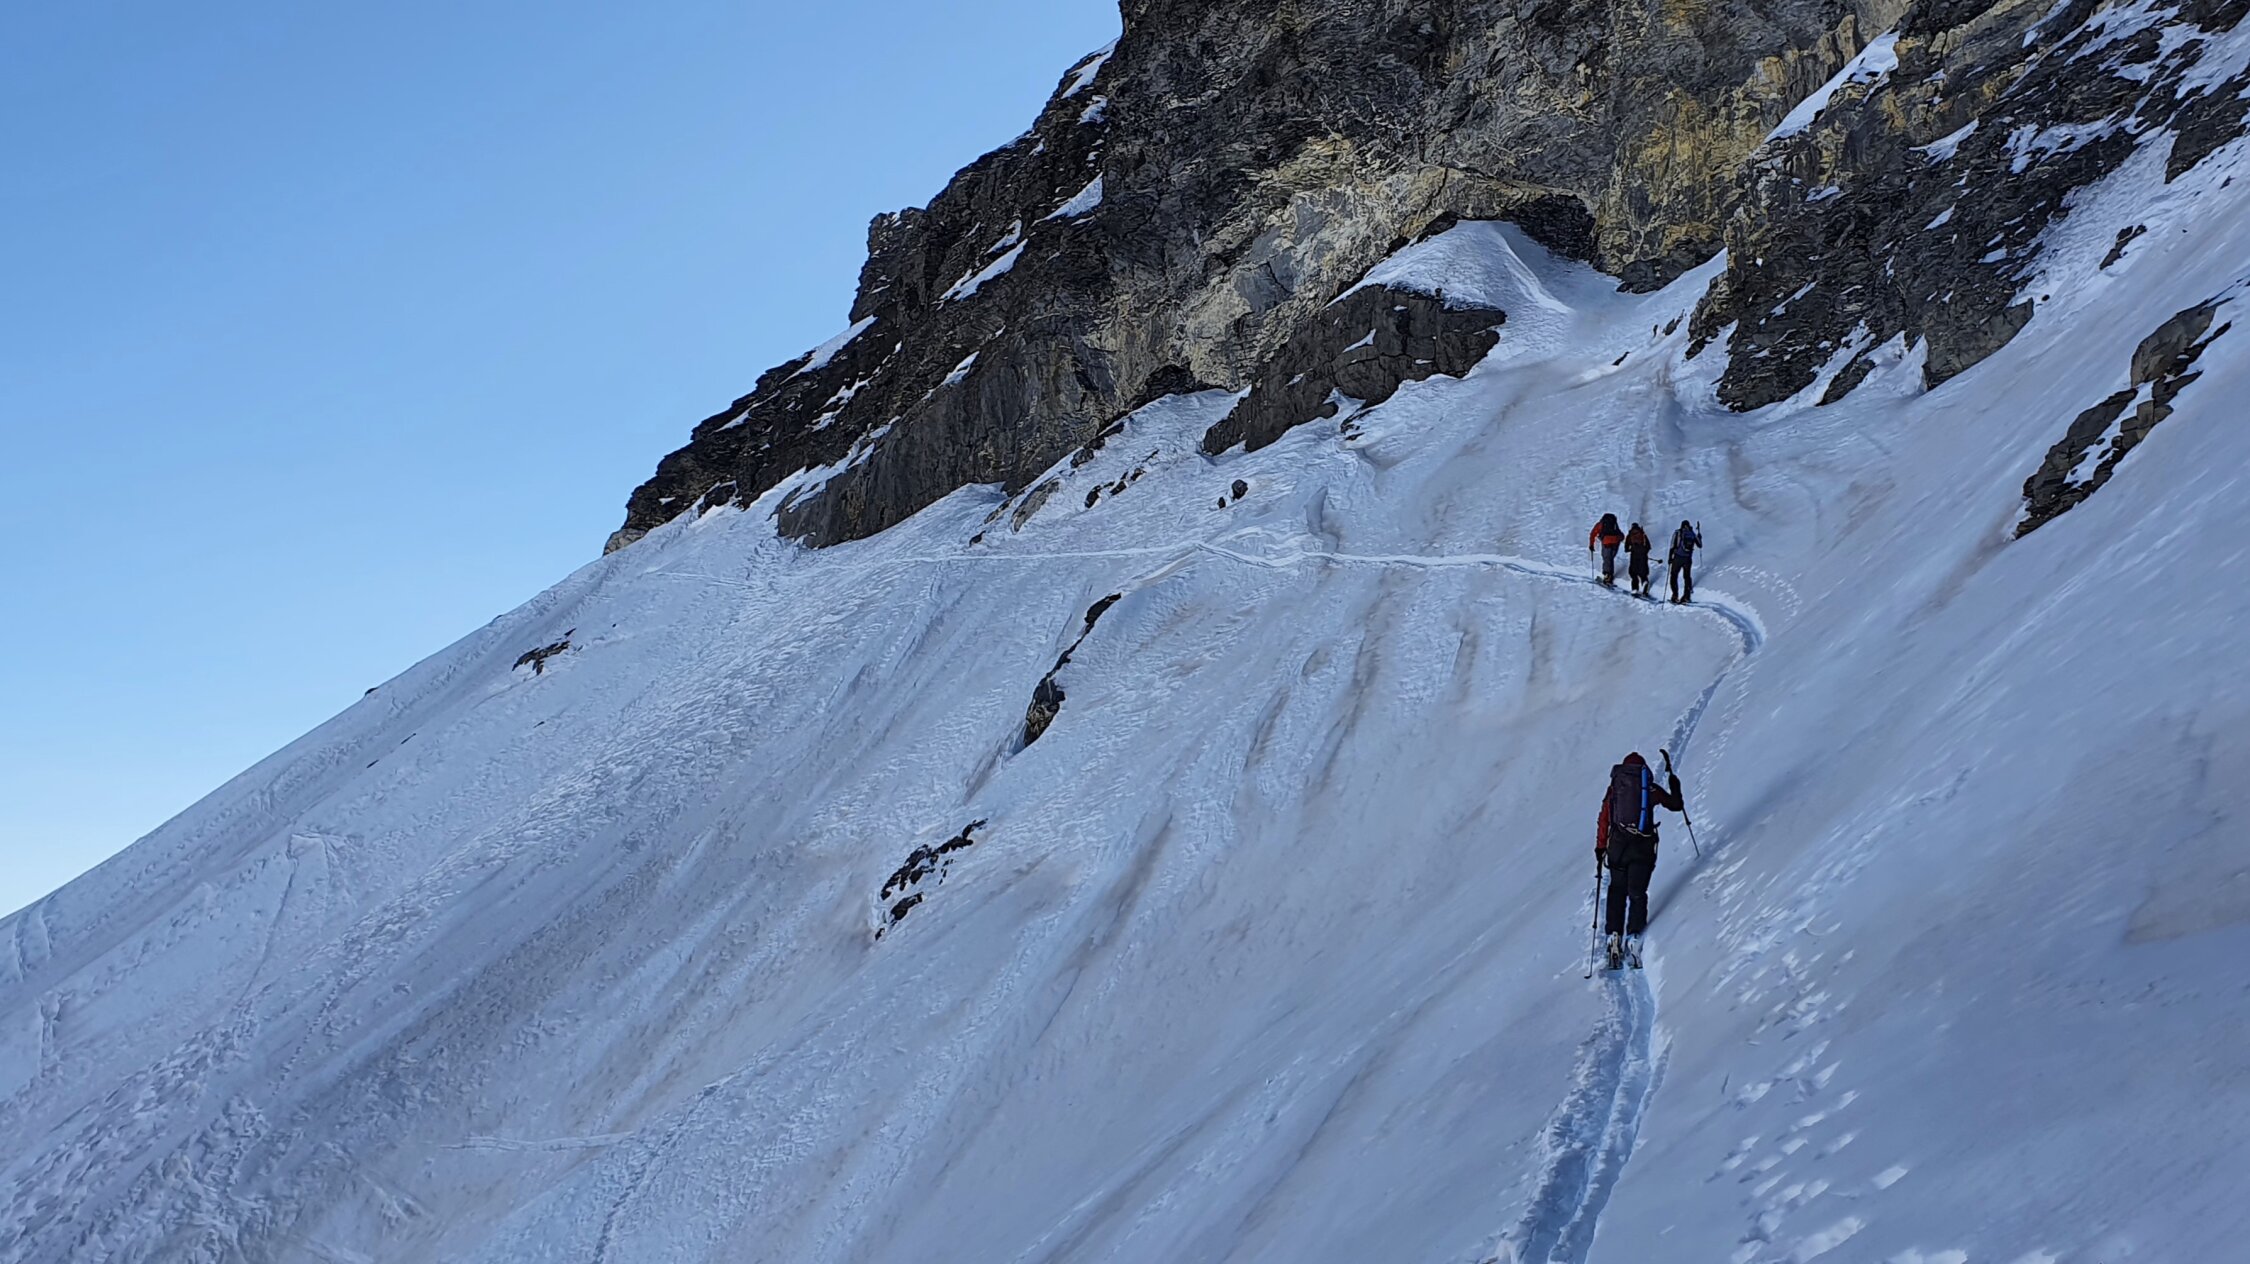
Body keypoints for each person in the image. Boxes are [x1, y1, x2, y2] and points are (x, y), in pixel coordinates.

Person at [1594, 751, 1684, 968]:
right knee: (1637, 893)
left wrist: (1600, 847)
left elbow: (1604, 819)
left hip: (1617, 849)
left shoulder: (1615, 790)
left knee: (1617, 890)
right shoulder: (1648, 789)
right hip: (1643, 848)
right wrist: (1674, 783)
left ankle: (1613, 936)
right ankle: (1634, 937)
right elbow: (1675, 805)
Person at [1669, 520, 1702, 604]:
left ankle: (1675, 596)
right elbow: (1700, 545)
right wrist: (1699, 537)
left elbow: (1672, 546)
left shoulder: (1678, 533)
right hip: (1688, 558)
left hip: (1678, 558)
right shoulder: (1692, 533)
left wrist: (1670, 558)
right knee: (1687, 577)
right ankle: (1686, 597)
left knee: (1674, 575)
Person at [1588, 513, 1625, 585]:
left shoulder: (1600, 524)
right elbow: (1620, 534)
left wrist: (1591, 545)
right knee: (1610, 558)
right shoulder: (1614, 524)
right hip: (1616, 541)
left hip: (1606, 542)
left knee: (1606, 558)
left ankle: (1607, 575)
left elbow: (1593, 534)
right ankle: (1609, 575)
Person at [1623, 522, 1654, 596]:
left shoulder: (1630, 535)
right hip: (1643, 555)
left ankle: (1635, 589)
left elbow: (1626, 548)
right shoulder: (1643, 534)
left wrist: (1629, 549)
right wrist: (1644, 552)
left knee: (1633, 572)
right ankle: (1645, 583)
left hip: (1634, 555)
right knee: (1643, 571)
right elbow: (1648, 546)